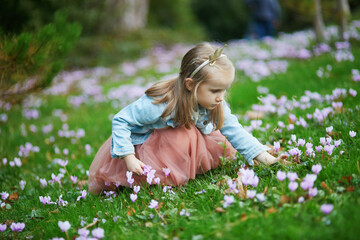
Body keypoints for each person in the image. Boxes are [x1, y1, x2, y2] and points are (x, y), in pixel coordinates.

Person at [88, 42, 286, 194]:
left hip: (177, 138)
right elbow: (121, 120)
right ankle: (156, 176)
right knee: (182, 137)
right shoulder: (161, 102)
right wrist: (128, 157)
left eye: (224, 90)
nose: (221, 97)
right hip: (145, 146)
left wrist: (262, 155)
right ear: (191, 85)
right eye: (215, 90)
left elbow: (234, 128)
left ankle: (184, 166)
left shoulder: (214, 102)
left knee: (210, 137)